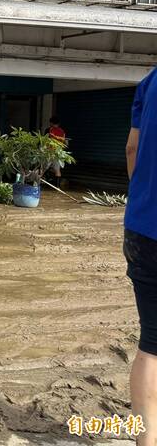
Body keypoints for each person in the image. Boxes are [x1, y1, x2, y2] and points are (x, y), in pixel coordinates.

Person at [124, 68, 157, 446]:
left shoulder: (150, 81)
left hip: (143, 229)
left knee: (152, 345)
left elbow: (132, 148)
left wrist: (143, 202)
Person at [46, 116, 67, 180]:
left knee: (43, 168)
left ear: (51, 123)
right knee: (57, 170)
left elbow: (47, 141)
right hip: (59, 151)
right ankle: (57, 187)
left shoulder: (49, 130)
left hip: (50, 151)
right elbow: (64, 141)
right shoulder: (62, 131)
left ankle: (38, 183)